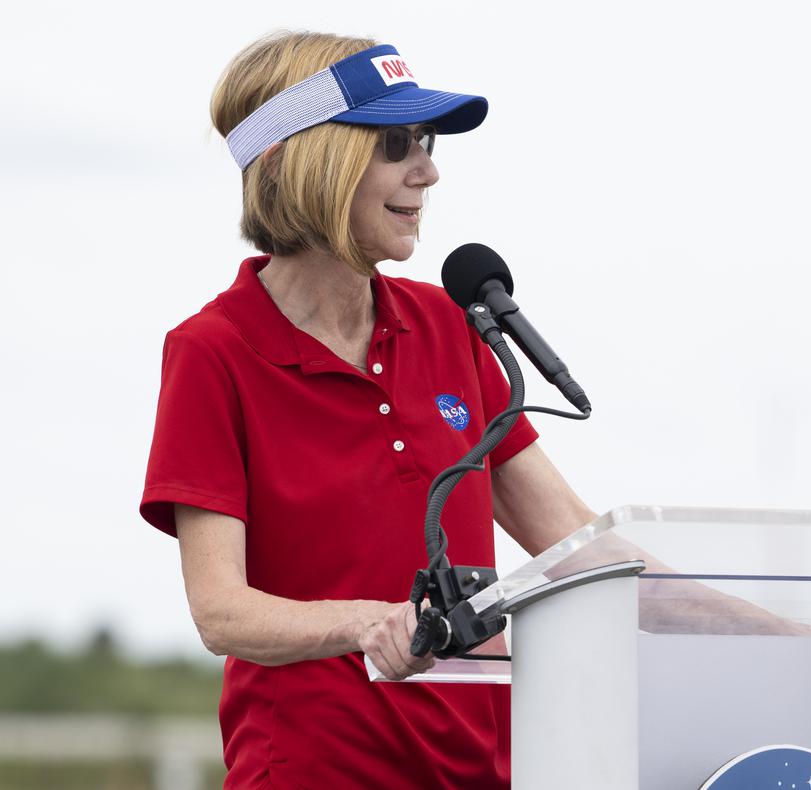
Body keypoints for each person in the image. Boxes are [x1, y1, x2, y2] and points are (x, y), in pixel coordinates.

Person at [139, 31, 594, 788]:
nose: (429, 170)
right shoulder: (211, 351)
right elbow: (221, 610)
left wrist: (790, 632)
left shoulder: (453, 322)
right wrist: (367, 622)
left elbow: (582, 550)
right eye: (394, 144)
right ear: (300, 161)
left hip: (482, 772)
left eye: (425, 141)